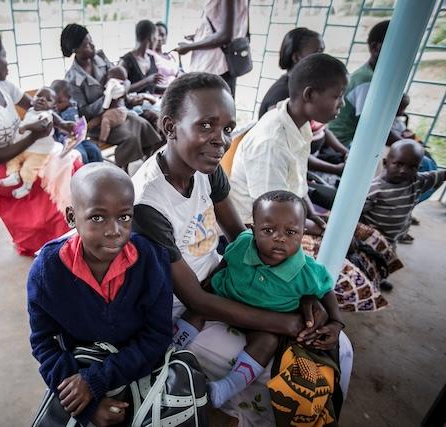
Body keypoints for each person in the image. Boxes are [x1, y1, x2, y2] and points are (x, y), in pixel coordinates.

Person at [131, 72, 354, 425]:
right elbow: (196, 300)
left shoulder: (204, 168)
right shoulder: (148, 205)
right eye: (206, 125)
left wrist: (294, 289)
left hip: (224, 281)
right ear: (170, 127)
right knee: (285, 368)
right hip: (179, 311)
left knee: (338, 346)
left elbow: (242, 238)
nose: (220, 141)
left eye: (227, 128)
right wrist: (287, 322)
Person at [231, 53, 401, 307]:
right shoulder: (271, 143)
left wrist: (313, 215)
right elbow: (270, 215)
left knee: (371, 238)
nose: (342, 104)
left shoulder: (299, 124)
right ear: (310, 95)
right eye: (337, 96)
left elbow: (297, 184)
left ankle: (369, 269)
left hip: (289, 215)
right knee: (345, 278)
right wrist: (313, 226)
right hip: (260, 229)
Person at [27, 163, 173, 426]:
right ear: (72, 217)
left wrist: (97, 380)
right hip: (77, 371)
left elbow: (158, 335)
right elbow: (43, 344)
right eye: (97, 217)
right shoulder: (47, 271)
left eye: (124, 217)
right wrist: (86, 406)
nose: (114, 230)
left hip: (138, 365)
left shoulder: (149, 259)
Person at [203, 191, 344, 408]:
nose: (279, 238)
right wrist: (213, 279)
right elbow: (227, 260)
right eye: (268, 230)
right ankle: (173, 348)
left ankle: (226, 387)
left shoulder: (307, 270)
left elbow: (326, 290)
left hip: (266, 321)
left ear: (302, 234)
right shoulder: (243, 243)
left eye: (290, 232)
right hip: (225, 303)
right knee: (197, 305)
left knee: (268, 342)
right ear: (253, 229)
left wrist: (336, 323)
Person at [0, 26, 78, 256]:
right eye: (3, 55)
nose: (7, 62)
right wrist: (34, 135)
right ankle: (48, 242)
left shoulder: (2, 85)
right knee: (37, 179)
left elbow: (36, 106)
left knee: (68, 163)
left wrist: (62, 124)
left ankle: (68, 230)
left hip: (17, 152)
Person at [258, 27, 349, 205]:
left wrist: (344, 152)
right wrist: (335, 169)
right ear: (297, 57)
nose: (322, 57)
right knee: (344, 202)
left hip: (303, 174)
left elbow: (320, 133)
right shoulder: (284, 101)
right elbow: (274, 198)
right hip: (282, 191)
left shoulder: (305, 113)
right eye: (318, 51)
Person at [60, 24, 162, 169]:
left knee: (144, 125)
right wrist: (106, 98)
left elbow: (121, 78)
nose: (92, 45)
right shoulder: (72, 79)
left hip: (118, 111)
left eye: (91, 41)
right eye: (86, 45)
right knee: (130, 138)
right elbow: (84, 112)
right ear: (75, 50)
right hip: (99, 123)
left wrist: (122, 88)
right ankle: (121, 171)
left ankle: (147, 165)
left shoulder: (100, 57)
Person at [362, 140, 445, 251]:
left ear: (418, 168)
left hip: (393, 239)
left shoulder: (416, 181)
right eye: (399, 164)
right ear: (385, 163)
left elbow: (441, 175)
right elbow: (358, 216)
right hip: (372, 239)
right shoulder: (374, 189)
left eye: (412, 167)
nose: (404, 171)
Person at [328, 21, 401, 147]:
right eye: (397, 46)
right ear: (375, 47)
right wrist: (407, 143)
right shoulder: (367, 80)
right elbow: (374, 128)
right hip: (344, 142)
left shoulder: (373, 75)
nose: (401, 52)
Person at [0, 86, 76, 199]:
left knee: (28, 168)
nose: (42, 99)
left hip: (39, 151)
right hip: (26, 147)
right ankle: (14, 175)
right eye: (39, 96)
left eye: (48, 99)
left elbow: (42, 125)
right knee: (12, 159)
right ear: (32, 100)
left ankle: (26, 187)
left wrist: (25, 127)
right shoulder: (31, 111)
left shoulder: (45, 114)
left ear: (53, 107)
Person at [174, 0, 250, 96]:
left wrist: (189, 47)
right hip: (221, 65)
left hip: (215, 67)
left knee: (208, 107)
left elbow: (225, 36)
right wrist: (200, 36)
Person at [51, 79, 103, 164]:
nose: (56, 105)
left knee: (95, 151)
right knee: (81, 155)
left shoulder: (74, 106)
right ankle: (82, 175)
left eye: (60, 102)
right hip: (65, 143)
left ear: (69, 98)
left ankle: (98, 172)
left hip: (79, 140)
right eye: (54, 101)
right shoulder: (54, 112)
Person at [119, 20, 163, 94]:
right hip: (132, 104)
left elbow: (152, 87)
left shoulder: (151, 59)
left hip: (151, 103)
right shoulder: (126, 62)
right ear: (151, 37)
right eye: (156, 36)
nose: (158, 40)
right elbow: (119, 90)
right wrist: (147, 81)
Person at [98, 66, 129, 146]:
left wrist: (104, 107)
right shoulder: (121, 84)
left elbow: (108, 96)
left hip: (116, 111)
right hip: (123, 111)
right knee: (105, 118)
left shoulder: (112, 82)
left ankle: (102, 140)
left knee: (106, 120)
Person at [150, 21, 180, 91]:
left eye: (162, 35)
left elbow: (179, 73)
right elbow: (150, 83)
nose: (159, 38)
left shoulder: (172, 56)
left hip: (175, 91)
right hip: (161, 93)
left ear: (166, 38)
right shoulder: (150, 55)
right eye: (157, 35)